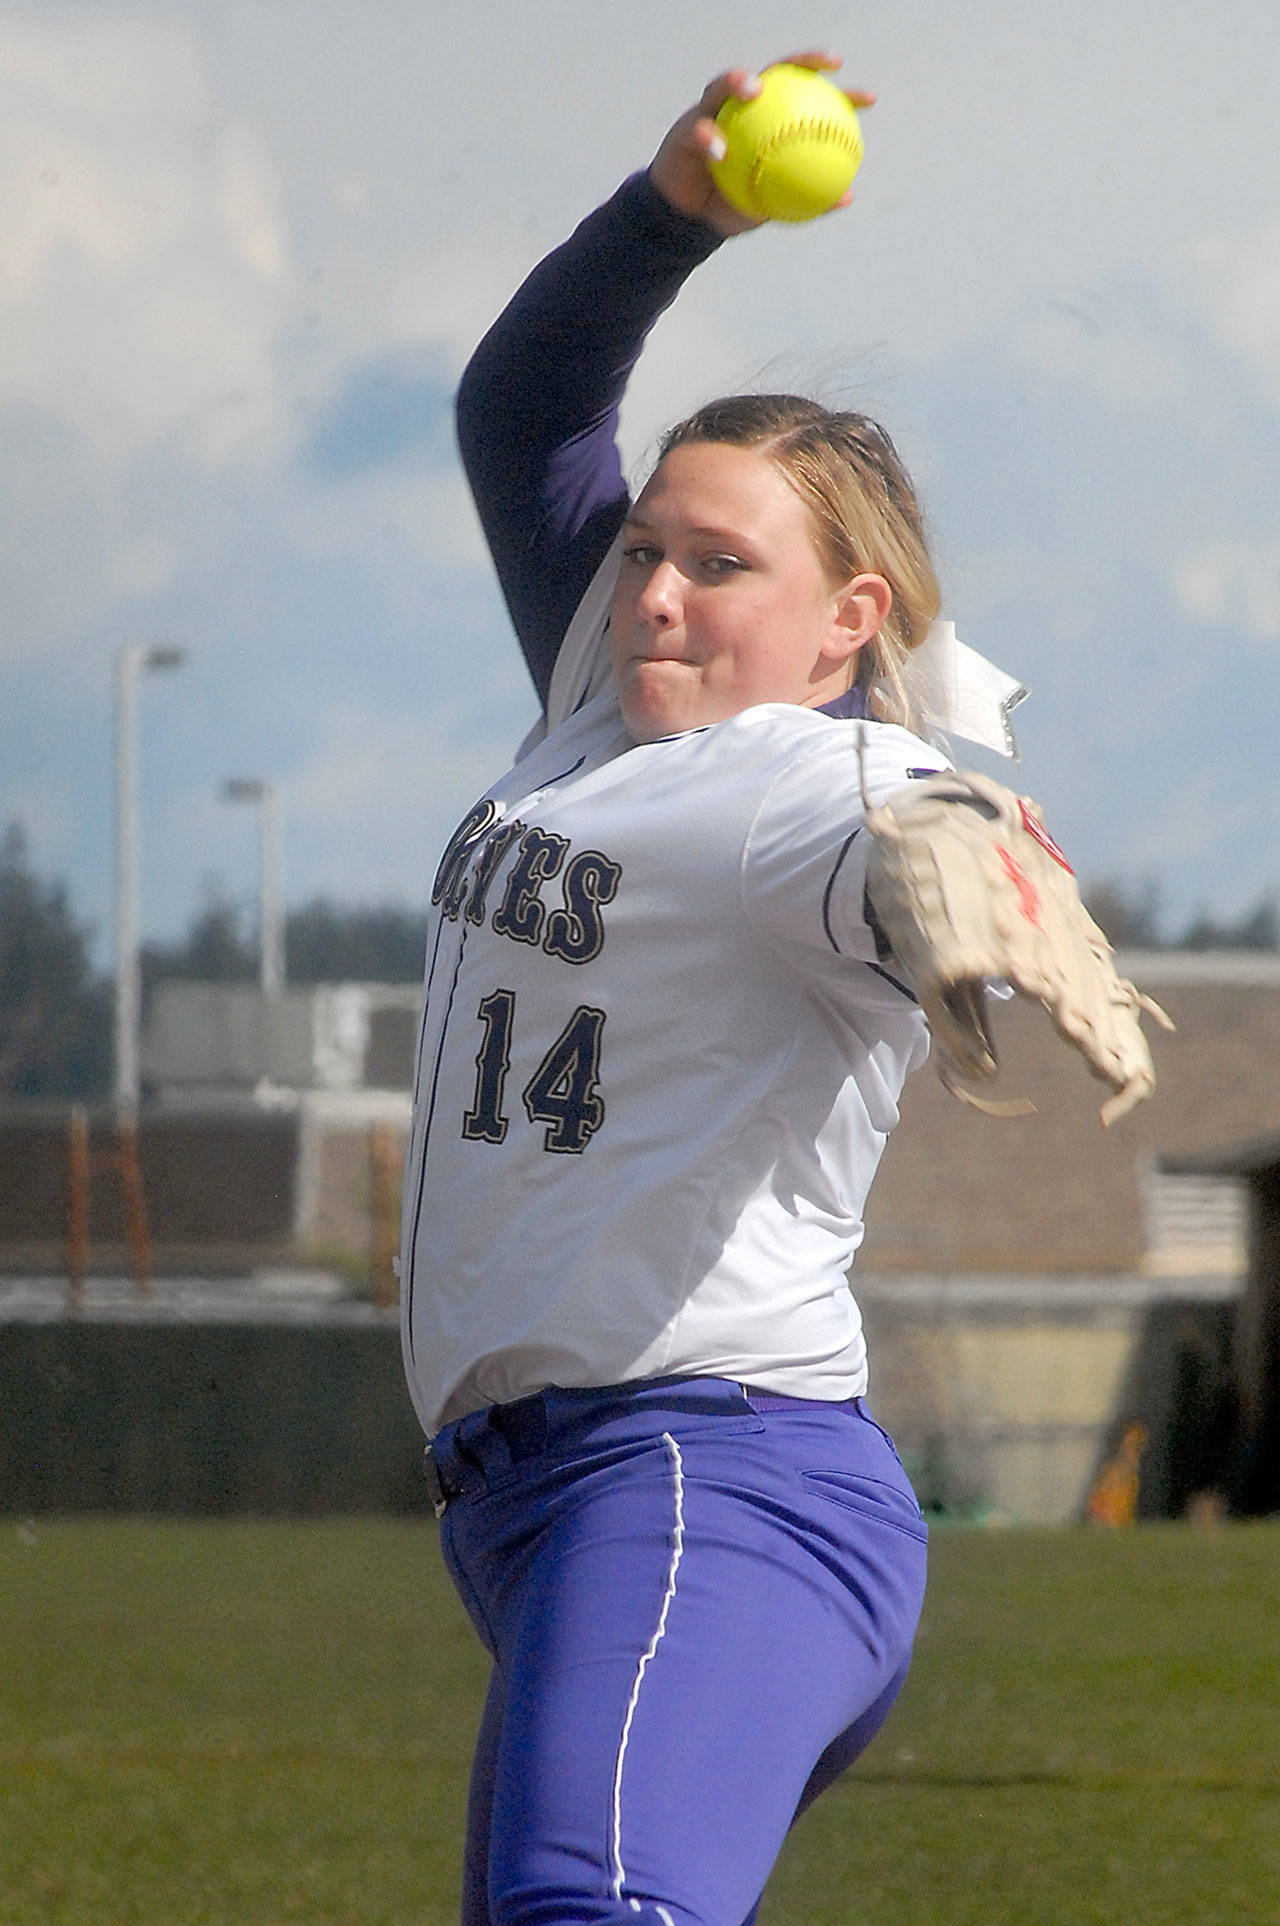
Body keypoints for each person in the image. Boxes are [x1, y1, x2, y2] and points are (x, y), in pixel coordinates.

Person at [400, 54, 949, 1926]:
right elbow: (522, 409)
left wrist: (972, 871)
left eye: (725, 565)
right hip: (542, 1509)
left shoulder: (816, 776)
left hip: (713, 1479)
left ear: (848, 623)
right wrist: (671, 214)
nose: (656, 589)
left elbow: (910, 840)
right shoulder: (600, 710)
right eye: (647, 547)